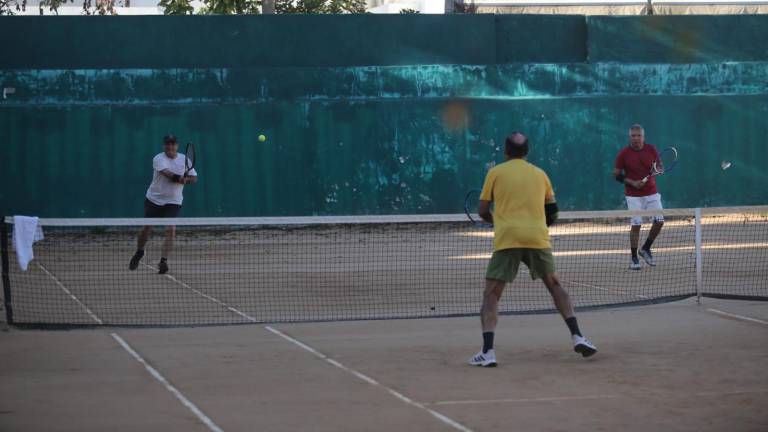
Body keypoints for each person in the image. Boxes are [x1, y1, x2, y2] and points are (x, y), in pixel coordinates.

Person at [469, 132, 597, 368]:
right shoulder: (541, 174)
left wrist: (497, 221)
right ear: (527, 152)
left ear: (506, 151)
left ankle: (488, 352)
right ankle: (578, 336)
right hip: (537, 237)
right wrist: (537, 226)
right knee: (555, 285)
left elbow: (482, 210)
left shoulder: (495, 173)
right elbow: (553, 212)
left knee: (492, 295)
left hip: (508, 238)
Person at [128, 134, 197, 274]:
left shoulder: (185, 159)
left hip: (173, 201)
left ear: (177, 146)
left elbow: (194, 178)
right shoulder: (158, 158)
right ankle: (139, 252)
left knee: (171, 229)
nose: (170, 146)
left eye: (173, 144)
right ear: (164, 145)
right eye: (168, 144)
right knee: (146, 228)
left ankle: (163, 261)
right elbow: (167, 173)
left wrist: (187, 180)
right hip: (154, 199)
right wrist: (179, 178)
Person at [612, 124, 664, 270]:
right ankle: (634, 258)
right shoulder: (623, 154)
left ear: (643, 137)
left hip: (652, 192)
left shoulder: (651, 149)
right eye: (633, 136)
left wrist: (658, 170)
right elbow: (616, 175)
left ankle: (645, 248)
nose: (636, 138)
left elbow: (660, 166)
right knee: (636, 225)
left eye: (638, 135)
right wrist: (632, 182)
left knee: (659, 221)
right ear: (629, 137)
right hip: (633, 196)